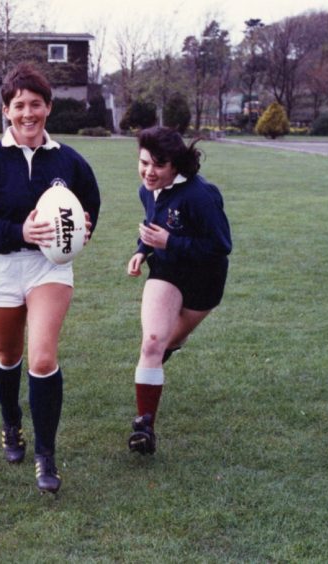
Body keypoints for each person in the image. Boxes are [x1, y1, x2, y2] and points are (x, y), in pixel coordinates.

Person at [0, 63, 101, 494]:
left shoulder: (68, 161)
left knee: (41, 358)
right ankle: (11, 422)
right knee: (7, 354)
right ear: (6, 110)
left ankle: (45, 454)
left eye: (36, 104)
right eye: (19, 105)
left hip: (48, 268)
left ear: (48, 108)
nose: (28, 113)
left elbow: (89, 207)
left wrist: (83, 229)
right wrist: (19, 231)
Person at [125, 126, 232, 455]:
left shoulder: (201, 195)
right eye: (144, 163)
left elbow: (220, 246)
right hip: (167, 271)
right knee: (153, 342)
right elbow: (153, 225)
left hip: (205, 281)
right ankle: (145, 426)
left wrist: (169, 242)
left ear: (176, 165)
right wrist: (142, 250)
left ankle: (154, 370)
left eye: (158, 165)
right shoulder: (148, 190)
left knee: (171, 341)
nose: (149, 172)